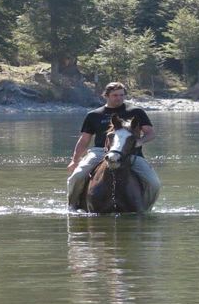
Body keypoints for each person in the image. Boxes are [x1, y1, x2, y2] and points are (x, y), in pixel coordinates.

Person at [66, 82, 161, 211]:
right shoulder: (94, 115)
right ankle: (71, 206)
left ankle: (146, 208)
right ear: (106, 95)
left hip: (131, 153)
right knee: (76, 176)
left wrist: (139, 142)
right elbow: (84, 139)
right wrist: (75, 160)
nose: (119, 98)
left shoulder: (136, 112)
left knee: (154, 183)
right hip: (100, 151)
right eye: (115, 95)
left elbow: (150, 133)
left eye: (122, 95)